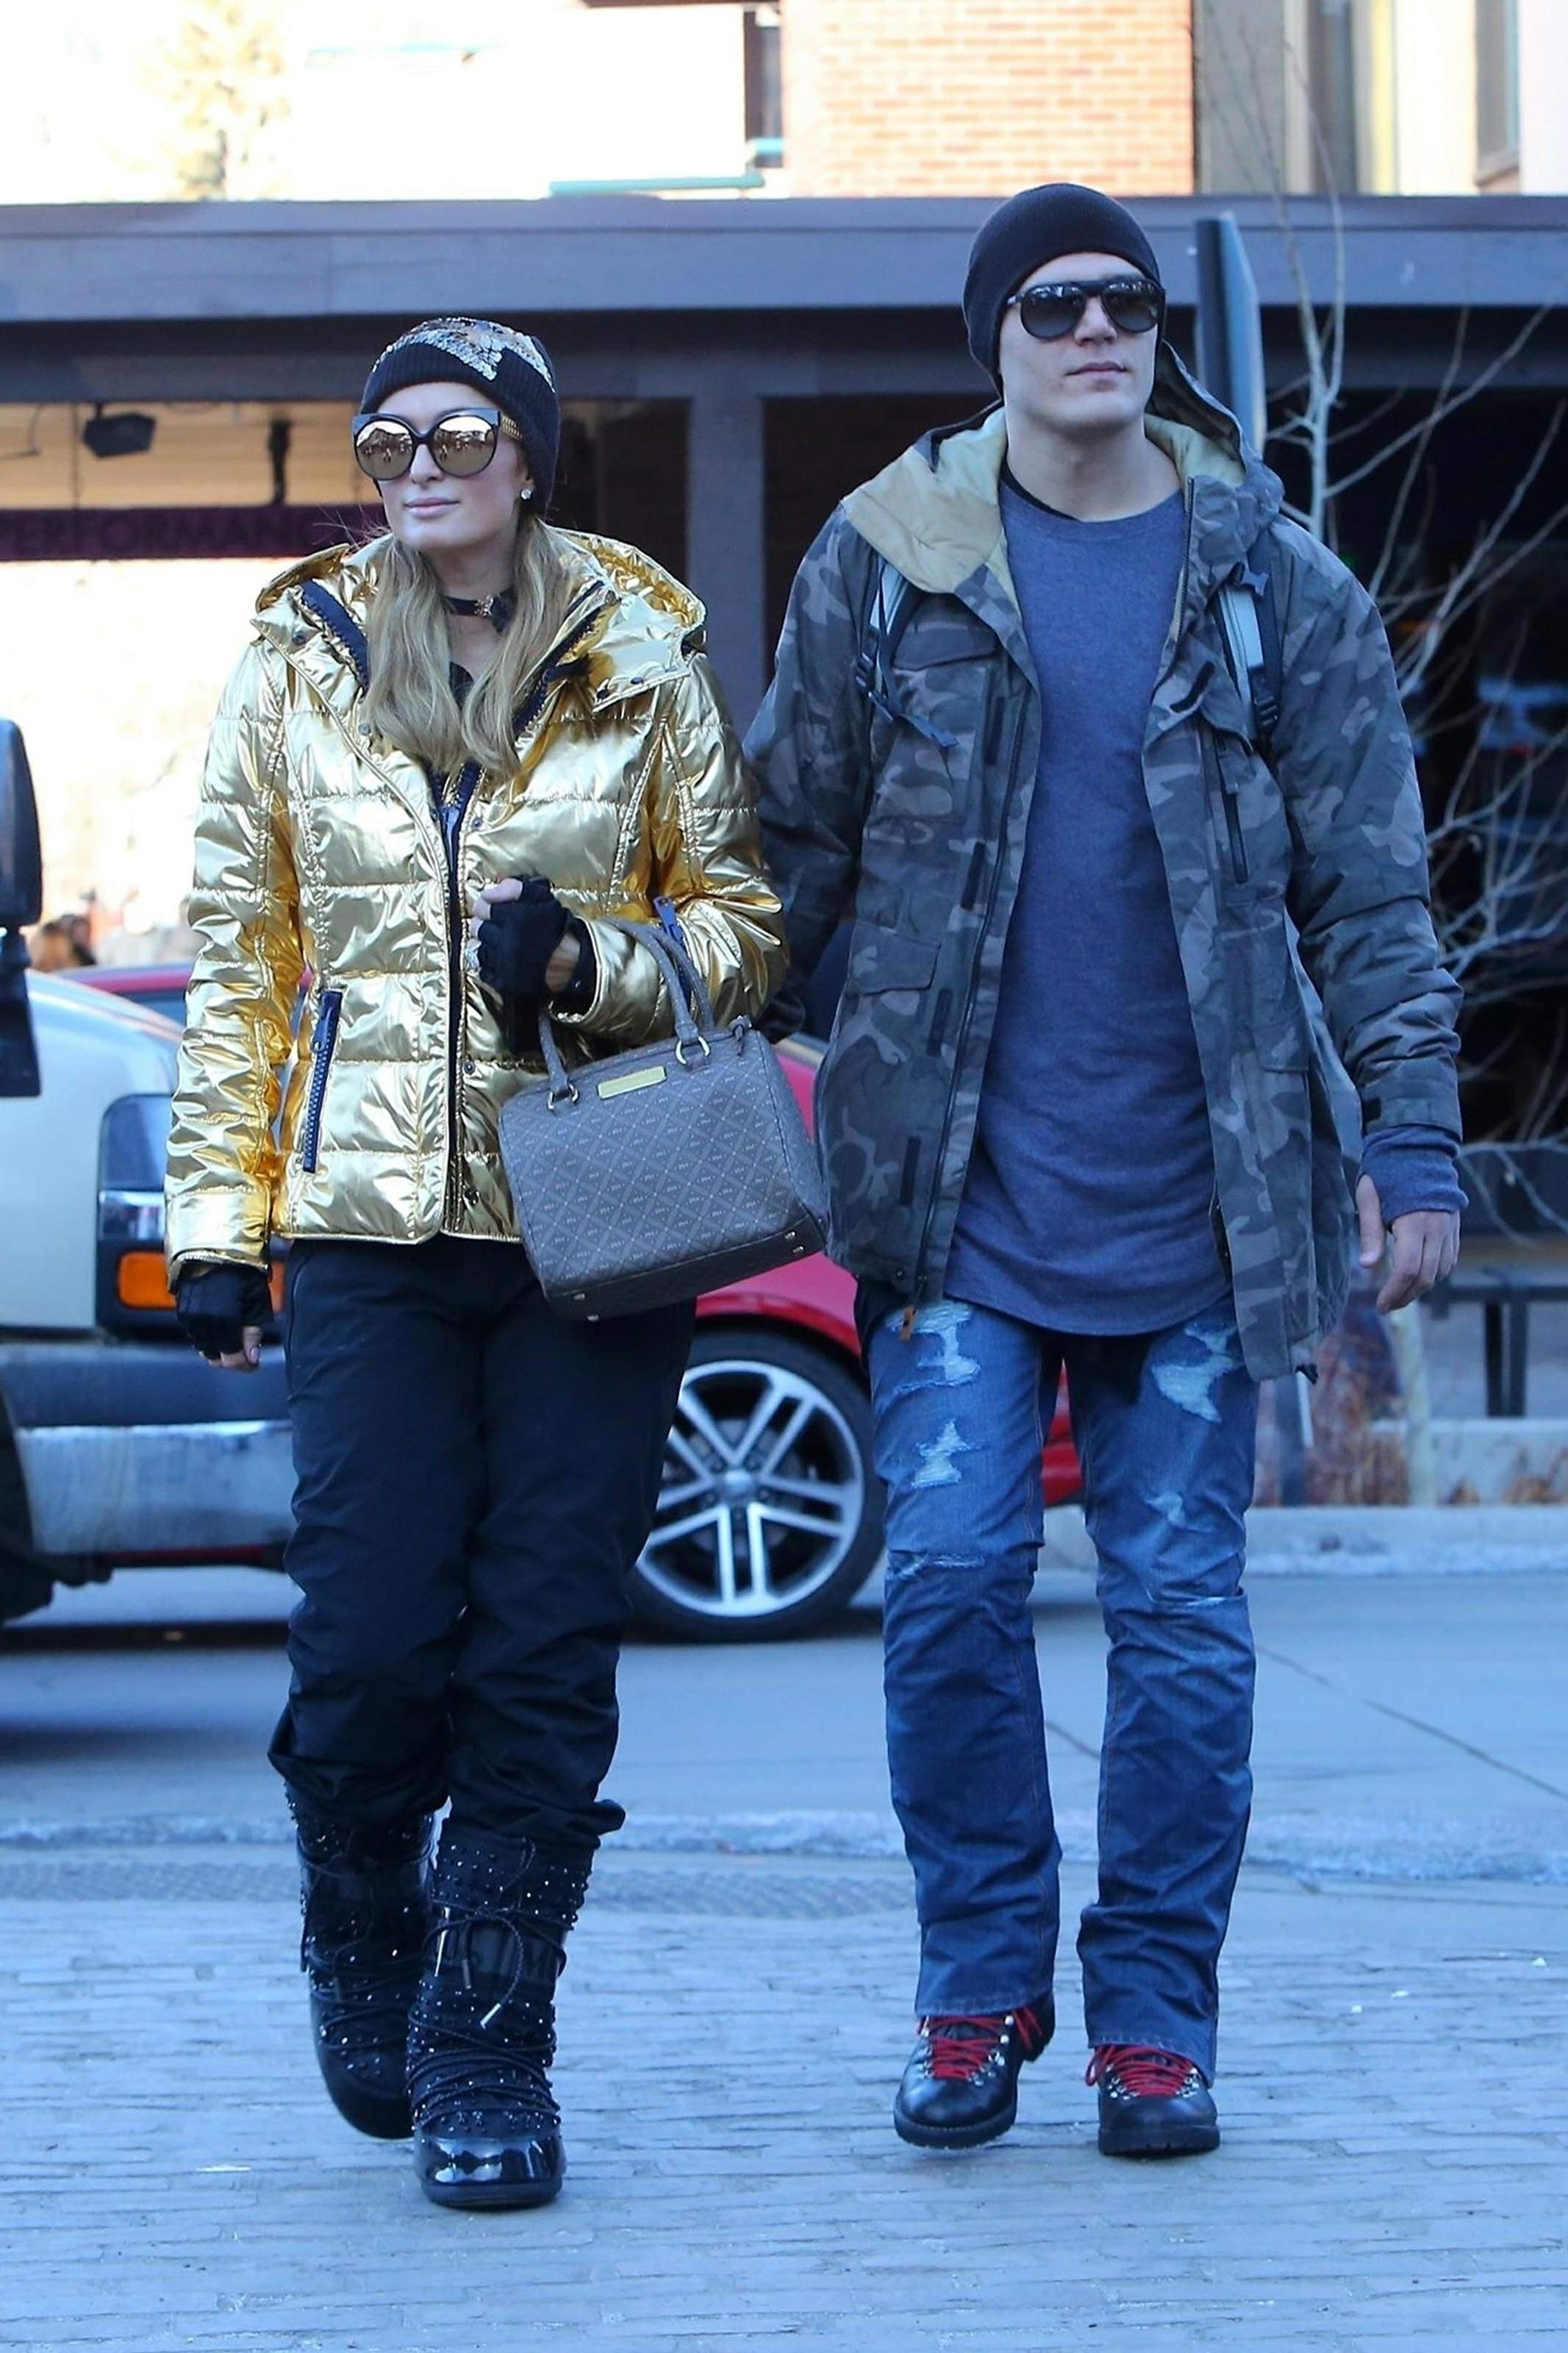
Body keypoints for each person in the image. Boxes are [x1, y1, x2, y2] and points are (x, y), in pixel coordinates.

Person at [747, 186, 1464, 2160]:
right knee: (946, 1583)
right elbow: (778, 861)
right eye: (1052, 303)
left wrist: (1408, 1132)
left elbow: (1371, 890)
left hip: (1202, 1207)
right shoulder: (885, 565)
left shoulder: (1271, 578)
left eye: (1124, 303)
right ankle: (977, 1984)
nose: (1093, 330)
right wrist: (648, 1019)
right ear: (990, 339)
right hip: (950, 1204)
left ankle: (1151, 2019)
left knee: (1179, 1621)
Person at [164, 317, 785, 2210]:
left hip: (589, 1226)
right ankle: (363, 1928)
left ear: (524, 456)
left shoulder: (640, 650)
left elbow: (743, 927)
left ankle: (490, 2045)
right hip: (365, 1230)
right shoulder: (293, 659)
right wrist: (215, 1223)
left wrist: (590, 961)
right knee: (362, 1642)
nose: (417, 466)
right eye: (387, 439)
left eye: (454, 434)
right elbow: (240, 958)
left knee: (541, 1649)